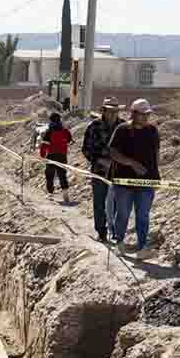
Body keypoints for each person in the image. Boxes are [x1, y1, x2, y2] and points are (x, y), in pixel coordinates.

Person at [109, 98, 160, 260]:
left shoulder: (152, 131)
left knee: (143, 215)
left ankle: (142, 247)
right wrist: (131, 163)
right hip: (123, 182)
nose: (145, 117)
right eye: (142, 114)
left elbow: (156, 155)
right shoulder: (122, 130)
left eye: (147, 114)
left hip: (146, 182)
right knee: (123, 213)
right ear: (133, 113)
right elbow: (113, 153)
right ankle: (119, 242)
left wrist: (155, 176)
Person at [82, 97, 125, 243]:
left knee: (117, 203)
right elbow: (86, 149)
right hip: (99, 171)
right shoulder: (94, 126)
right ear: (104, 111)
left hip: (119, 172)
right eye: (110, 111)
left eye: (115, 111)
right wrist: (100, 160)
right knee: (99, 202)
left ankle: (115, 232)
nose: (113, 114)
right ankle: (101, 231)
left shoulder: (124, 126)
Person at [40, 113, 74, 204]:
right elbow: (69, 141)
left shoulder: (49, 132)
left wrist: (42, 156)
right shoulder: (65, 131)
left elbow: (44, 145)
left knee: (49, 175)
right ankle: (65, 195)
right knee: (62, 175)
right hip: (62, 156)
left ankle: (50, 194)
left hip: (51, 156)